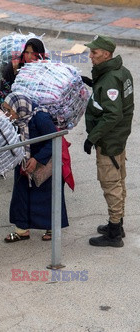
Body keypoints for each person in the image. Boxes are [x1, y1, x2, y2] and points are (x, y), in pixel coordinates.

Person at [83, 35, 134, 248]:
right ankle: (117, 224)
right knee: (119, 180)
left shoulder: (111, 78)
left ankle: (114, 234)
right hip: (118, 138)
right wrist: (93, 84)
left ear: (106, 54)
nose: (90, 56)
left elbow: (113, 115)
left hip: (109, 141)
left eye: (94, 53)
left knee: (111, 184)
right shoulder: (119, 72)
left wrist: (91, 138)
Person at [1, 92, 72, 243]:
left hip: (45, 160)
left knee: (48, 196)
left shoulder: (40, 118)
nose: (8, 114)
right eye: (5, 109)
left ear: (19, 108)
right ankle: (21, 230)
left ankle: (52, 228)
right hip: (24, 160)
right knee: (21, 194)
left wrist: (37, 158)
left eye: (9, 110)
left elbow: (55, 140)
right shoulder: (18, 119)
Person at [0, 38, 47, 106]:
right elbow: (4, 93)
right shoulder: (13, 67)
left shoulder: (45, 68)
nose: (29, 57)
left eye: (33, 53)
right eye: (26, 52)